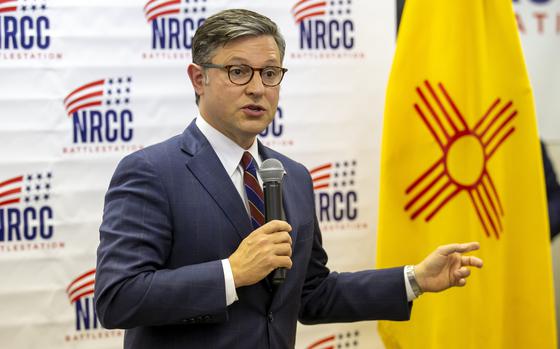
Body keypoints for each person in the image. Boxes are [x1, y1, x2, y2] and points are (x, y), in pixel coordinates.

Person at [94, 9, 483, 349]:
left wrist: (412, 279)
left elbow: (311, 294)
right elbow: (118, 298)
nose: (258, 88)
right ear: (199, 79)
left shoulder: (290, 177)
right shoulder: (151, 171)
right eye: (238, 71)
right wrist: (232, 272)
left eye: (270, 73)